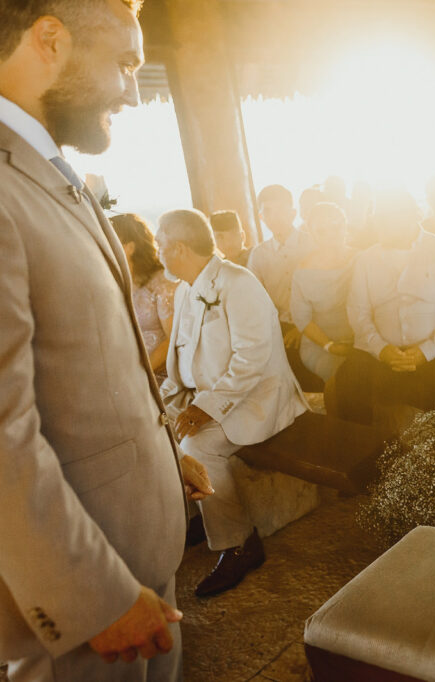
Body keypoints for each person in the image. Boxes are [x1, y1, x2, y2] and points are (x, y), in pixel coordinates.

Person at [0, 1, 214, 678]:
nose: (130, 87)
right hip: (88, 599)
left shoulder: (49, 168)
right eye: (124, 62)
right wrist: (92, 597)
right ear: (50, 39)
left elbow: (93, 355)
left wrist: (160, 449)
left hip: (139, 548)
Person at [157, 209, 307, 598]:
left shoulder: (238, 283)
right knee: (153, 429)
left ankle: (239, 545)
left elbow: (252, 358)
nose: (157, 251)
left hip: (256, 396)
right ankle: (196, 514)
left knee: (197, 447)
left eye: (160, 244)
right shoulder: (189, 288)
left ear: (178, 248)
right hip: (204, 395)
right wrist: (169, 400)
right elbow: (183, 357)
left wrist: (205, 407)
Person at [332, 189, 435, 425]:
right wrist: (382, 349)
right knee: (348, 383)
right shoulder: (366, 260)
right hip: (379, 351)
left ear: (410, 217)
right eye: (377, 217)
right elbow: (358, 312)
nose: (379, 224)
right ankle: (365, 456)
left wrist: (426, 351)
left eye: (386, 217)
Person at [247, 184, 319, 389]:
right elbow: (256, 301)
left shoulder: (312, 244)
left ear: (293, 213)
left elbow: (324, 294)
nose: (274, 217)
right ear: (261, 217)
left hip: (317, 323)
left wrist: (303, 327)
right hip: (277, 328)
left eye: (280, 210)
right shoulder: (258, 254)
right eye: (268, 211)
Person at [291, 203, 357, 383]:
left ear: (345, 226)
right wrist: (330, 346)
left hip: (362, 340)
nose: (330, 235)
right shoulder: (302, 272)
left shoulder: (362, 260)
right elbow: (302, 319)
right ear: (312, 234)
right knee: (345, 378)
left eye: (335, 227)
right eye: (321, 231)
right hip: (321, 344)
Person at [112, 214, 179, 380]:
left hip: (160, 374)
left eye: (111, 243)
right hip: (127, 373)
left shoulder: (160, 282)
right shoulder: (116, 283)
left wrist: (141, 372)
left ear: (129, 247)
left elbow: (173, 338)